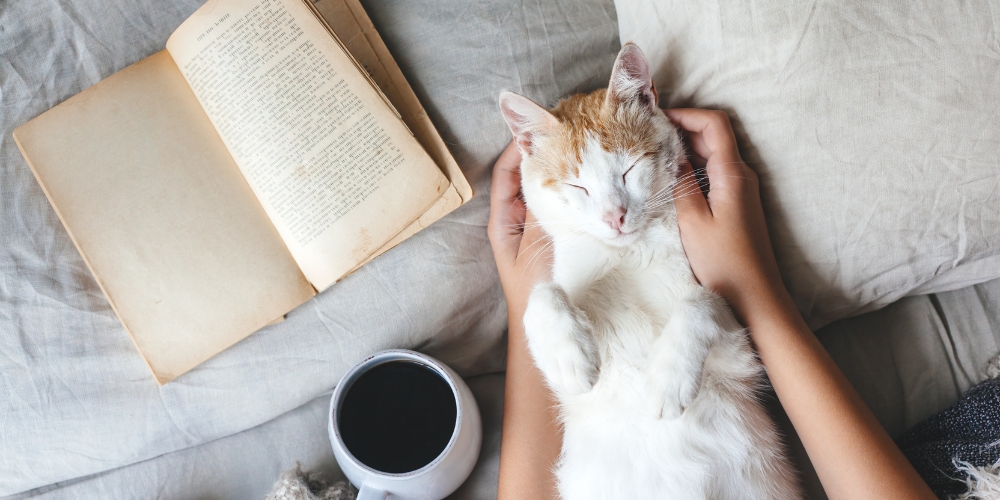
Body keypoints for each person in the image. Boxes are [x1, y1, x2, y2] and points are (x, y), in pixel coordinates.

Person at [487, 108, 937, 499]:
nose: (614, 214)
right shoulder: (562, 264)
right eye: (579, 190)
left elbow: (725, 359)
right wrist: (536, 307)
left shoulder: (678, 227)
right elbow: (574, 378)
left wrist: (525, 304)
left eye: (627, 174)